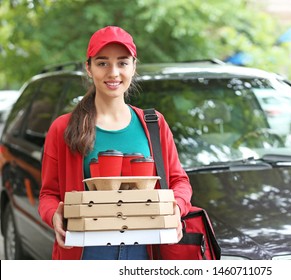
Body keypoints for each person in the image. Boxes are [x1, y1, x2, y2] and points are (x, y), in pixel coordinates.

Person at [38, 26, 193, 260]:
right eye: (102, 63)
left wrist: (177, 206)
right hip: (86, 253)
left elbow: (180, 181)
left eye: (122, 63)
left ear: (133, 67)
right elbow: (48, 194)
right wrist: (53, 214)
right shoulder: (63, 128)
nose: (113, 72)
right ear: (88, 68)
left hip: (145, 251)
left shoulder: (154, 124)